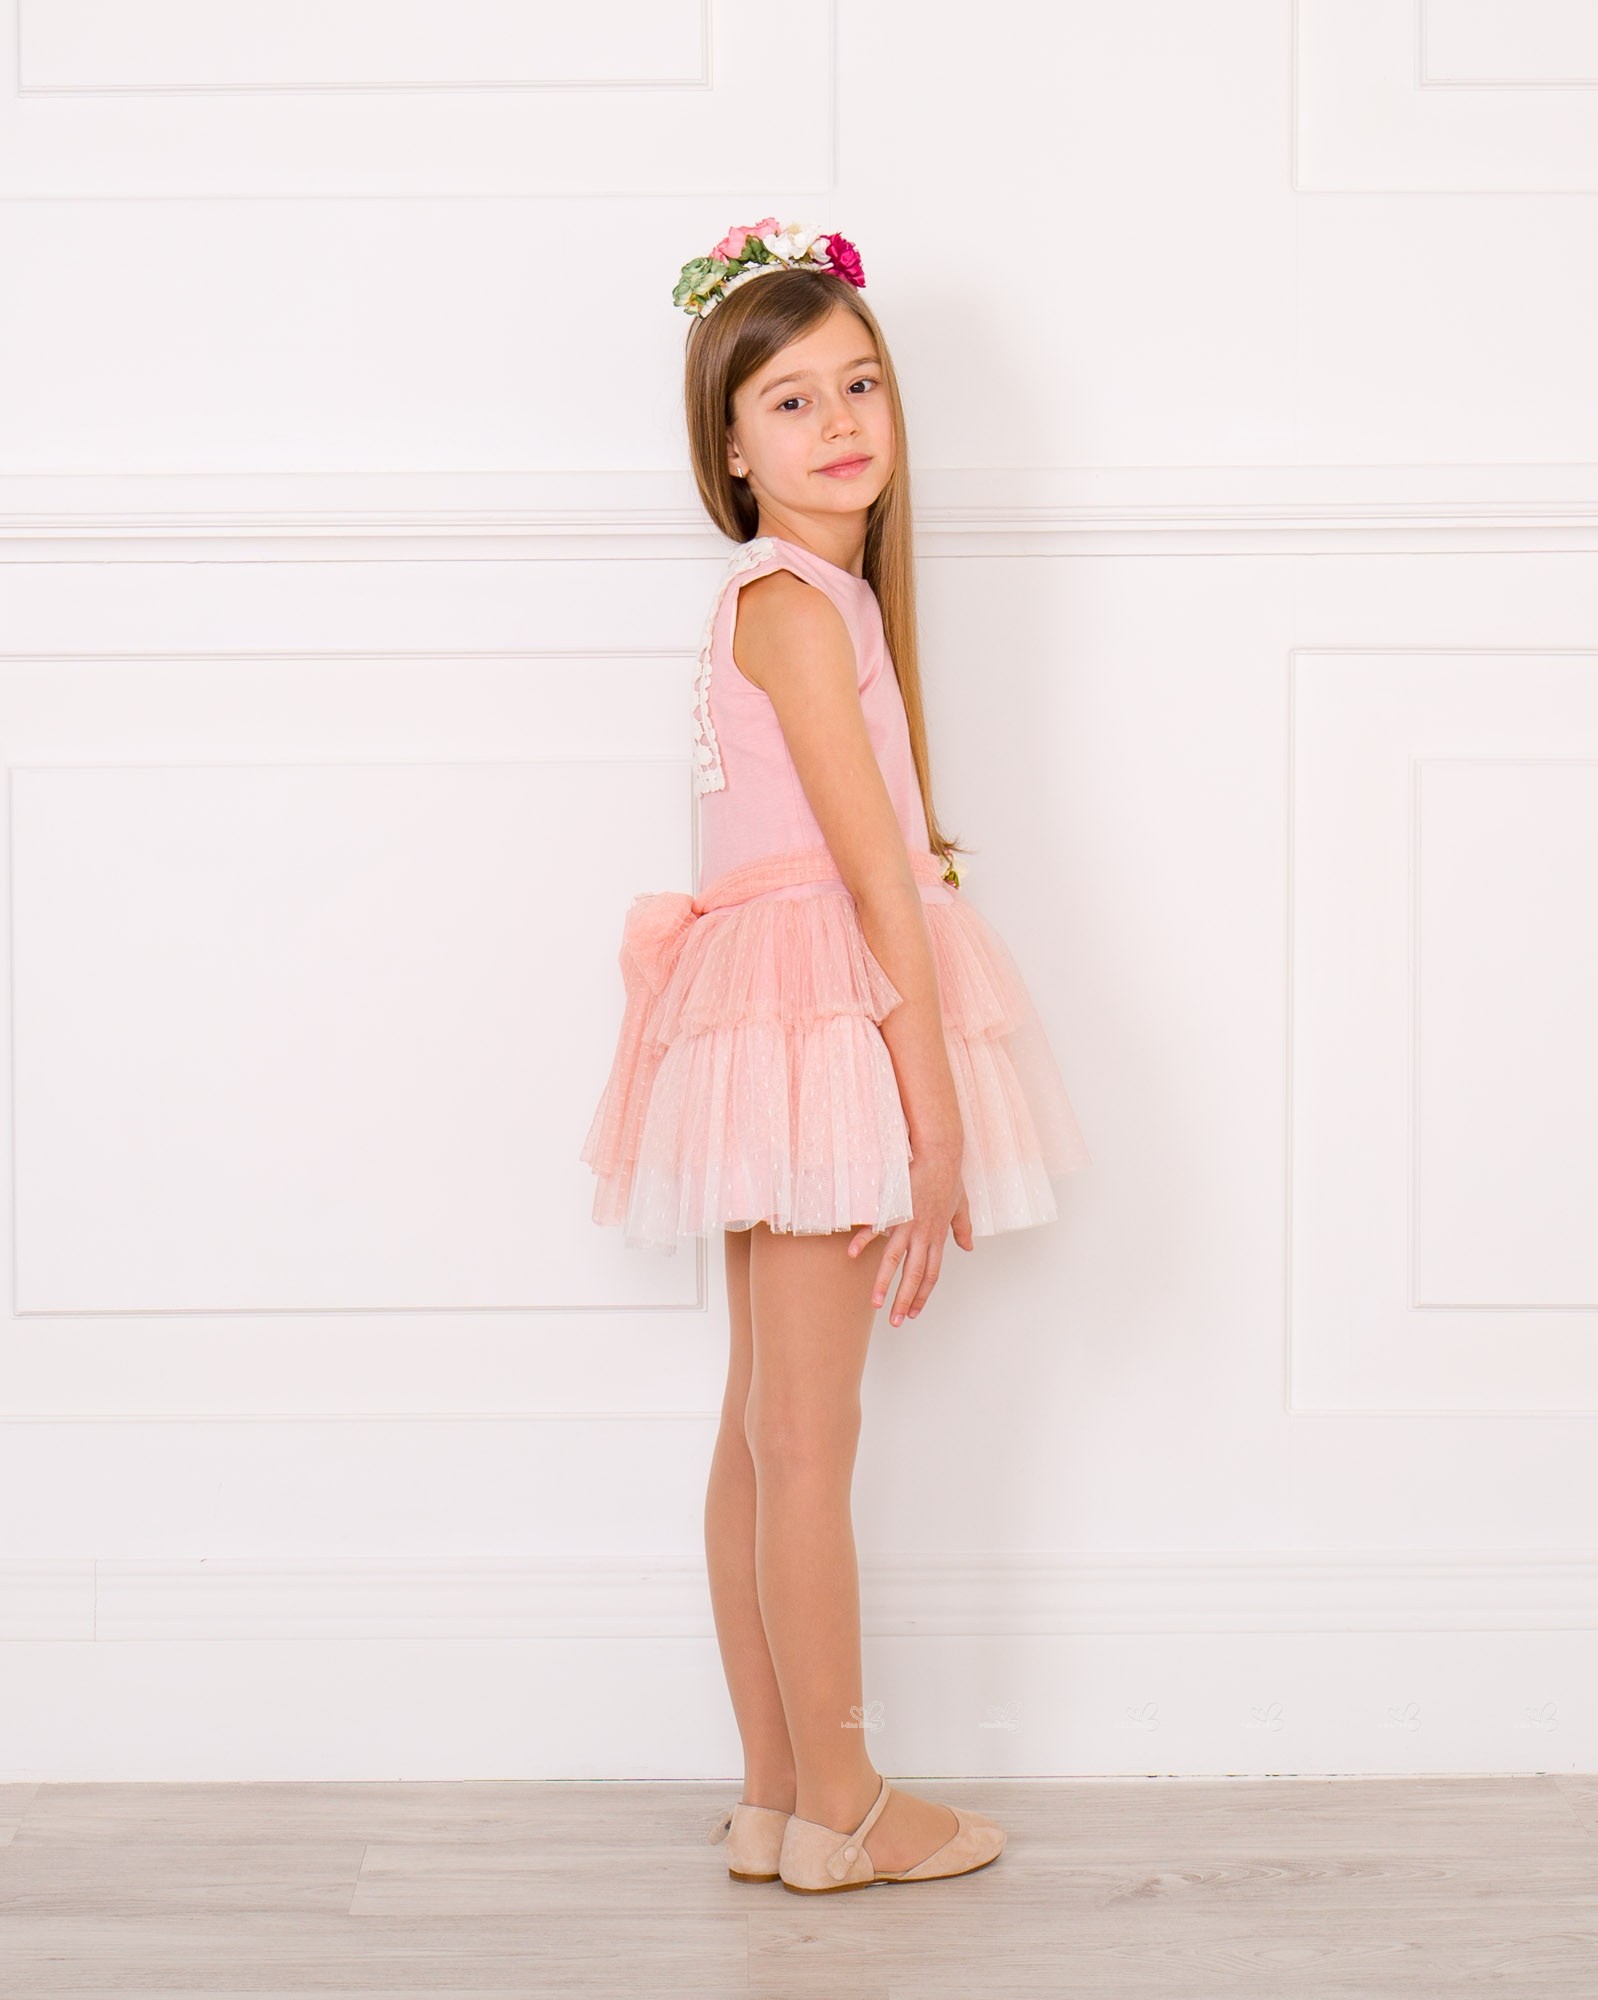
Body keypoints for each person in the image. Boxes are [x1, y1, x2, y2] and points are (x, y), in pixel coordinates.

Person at [579, 218, 1091, 1893]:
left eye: (859, 384)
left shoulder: (808, 601)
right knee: (804, 1436)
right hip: (817, 1010)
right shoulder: (797, 604)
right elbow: (877, 880)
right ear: (730, 448)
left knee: (764, 1426)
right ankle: (848, 1805)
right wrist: (932, 1125)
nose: (840, 423)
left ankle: (779, 1799)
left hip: (767, 1006)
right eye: (790, 402)